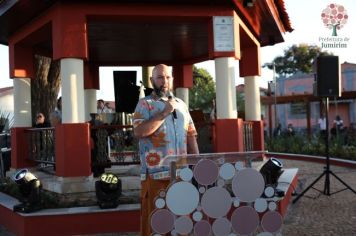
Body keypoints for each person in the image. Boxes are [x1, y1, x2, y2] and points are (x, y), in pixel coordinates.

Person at [133, 64, 199, 236]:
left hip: (181, 175)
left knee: (181, 222)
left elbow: (191, 135)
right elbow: (139, 132)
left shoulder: (181, 105)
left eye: (168, 77)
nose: (164, 81)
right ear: (152, 80)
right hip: (156, 175)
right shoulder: (144, 104)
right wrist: (163, 113)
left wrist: (197, 164)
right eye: (160, 77)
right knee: (156, 223)